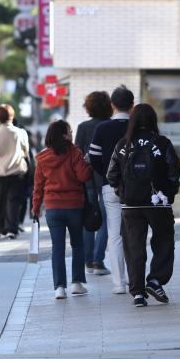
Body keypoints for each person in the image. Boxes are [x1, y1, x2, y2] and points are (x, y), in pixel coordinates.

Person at [106, 104, 180, 307]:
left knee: (134, 247)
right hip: (158, 202)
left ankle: (138, 293)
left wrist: (122, 192)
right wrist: (169, 193)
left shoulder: (123, 144)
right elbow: (174, 171)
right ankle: (156, 279)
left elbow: (111, 174)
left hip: (131, 205)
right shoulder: (162, 143)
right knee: (164, 240)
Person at [32, 120, 93, 299]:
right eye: (70, 130)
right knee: (77, 244)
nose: (72, 133)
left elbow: (38, 187)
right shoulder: (74, 152)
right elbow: (84, 175)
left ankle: (59, 287)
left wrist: (35, 208)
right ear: (65, 135)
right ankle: (77, 283)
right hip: (74, 206)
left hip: (53, 208)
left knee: (57, 247)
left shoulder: (42, 158)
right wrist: (86, 163)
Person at [89, 85, 134, 294]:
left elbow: (94, 158)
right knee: (135, 233)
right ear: (132, 105)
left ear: (112, 105)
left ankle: (119, 283)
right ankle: (137, 280)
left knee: (114, 235)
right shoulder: (138, 126)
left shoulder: (103, 128)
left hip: (111, 188)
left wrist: (108, 176)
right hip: (136, 189)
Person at [75, 91, 113, 276]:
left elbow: (76, 155)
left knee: (88, 219)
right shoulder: (110, 126)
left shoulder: (83, 127)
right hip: (107, 179)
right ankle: (99, 260)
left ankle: (88, 261)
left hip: (87, 179)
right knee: (107, 219)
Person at [0, 104, 30, 239]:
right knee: (13, 200)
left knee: (0, 200)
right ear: (12, 116)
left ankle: (1, 229)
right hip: (16, 171)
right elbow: (26, 151)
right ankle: (12, 228)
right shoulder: (20, 133)